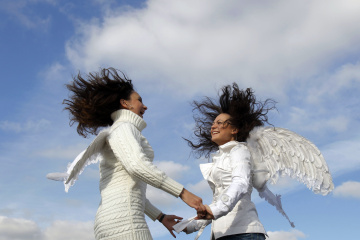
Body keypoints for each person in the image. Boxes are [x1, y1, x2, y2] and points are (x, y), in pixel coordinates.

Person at [50, 68, 205, 240]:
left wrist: (160, 217)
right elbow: (137, 166)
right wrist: (183, 192)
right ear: (125, 104)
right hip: (125, 222)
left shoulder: (119, 130)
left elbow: (130, 191)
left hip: (113, 220)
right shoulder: (124, 127)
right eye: (139, 100)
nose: (145, 106)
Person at [181, 83, 276, 240]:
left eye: (220, 123)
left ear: (234, 130)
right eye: (213, 123)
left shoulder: (239, 150)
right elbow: (218, 203)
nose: (213, 126)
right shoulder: (221, 158)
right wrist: (187, 226)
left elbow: (240, 183)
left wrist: (213, 210)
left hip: (244, 233)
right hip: (224, 234)